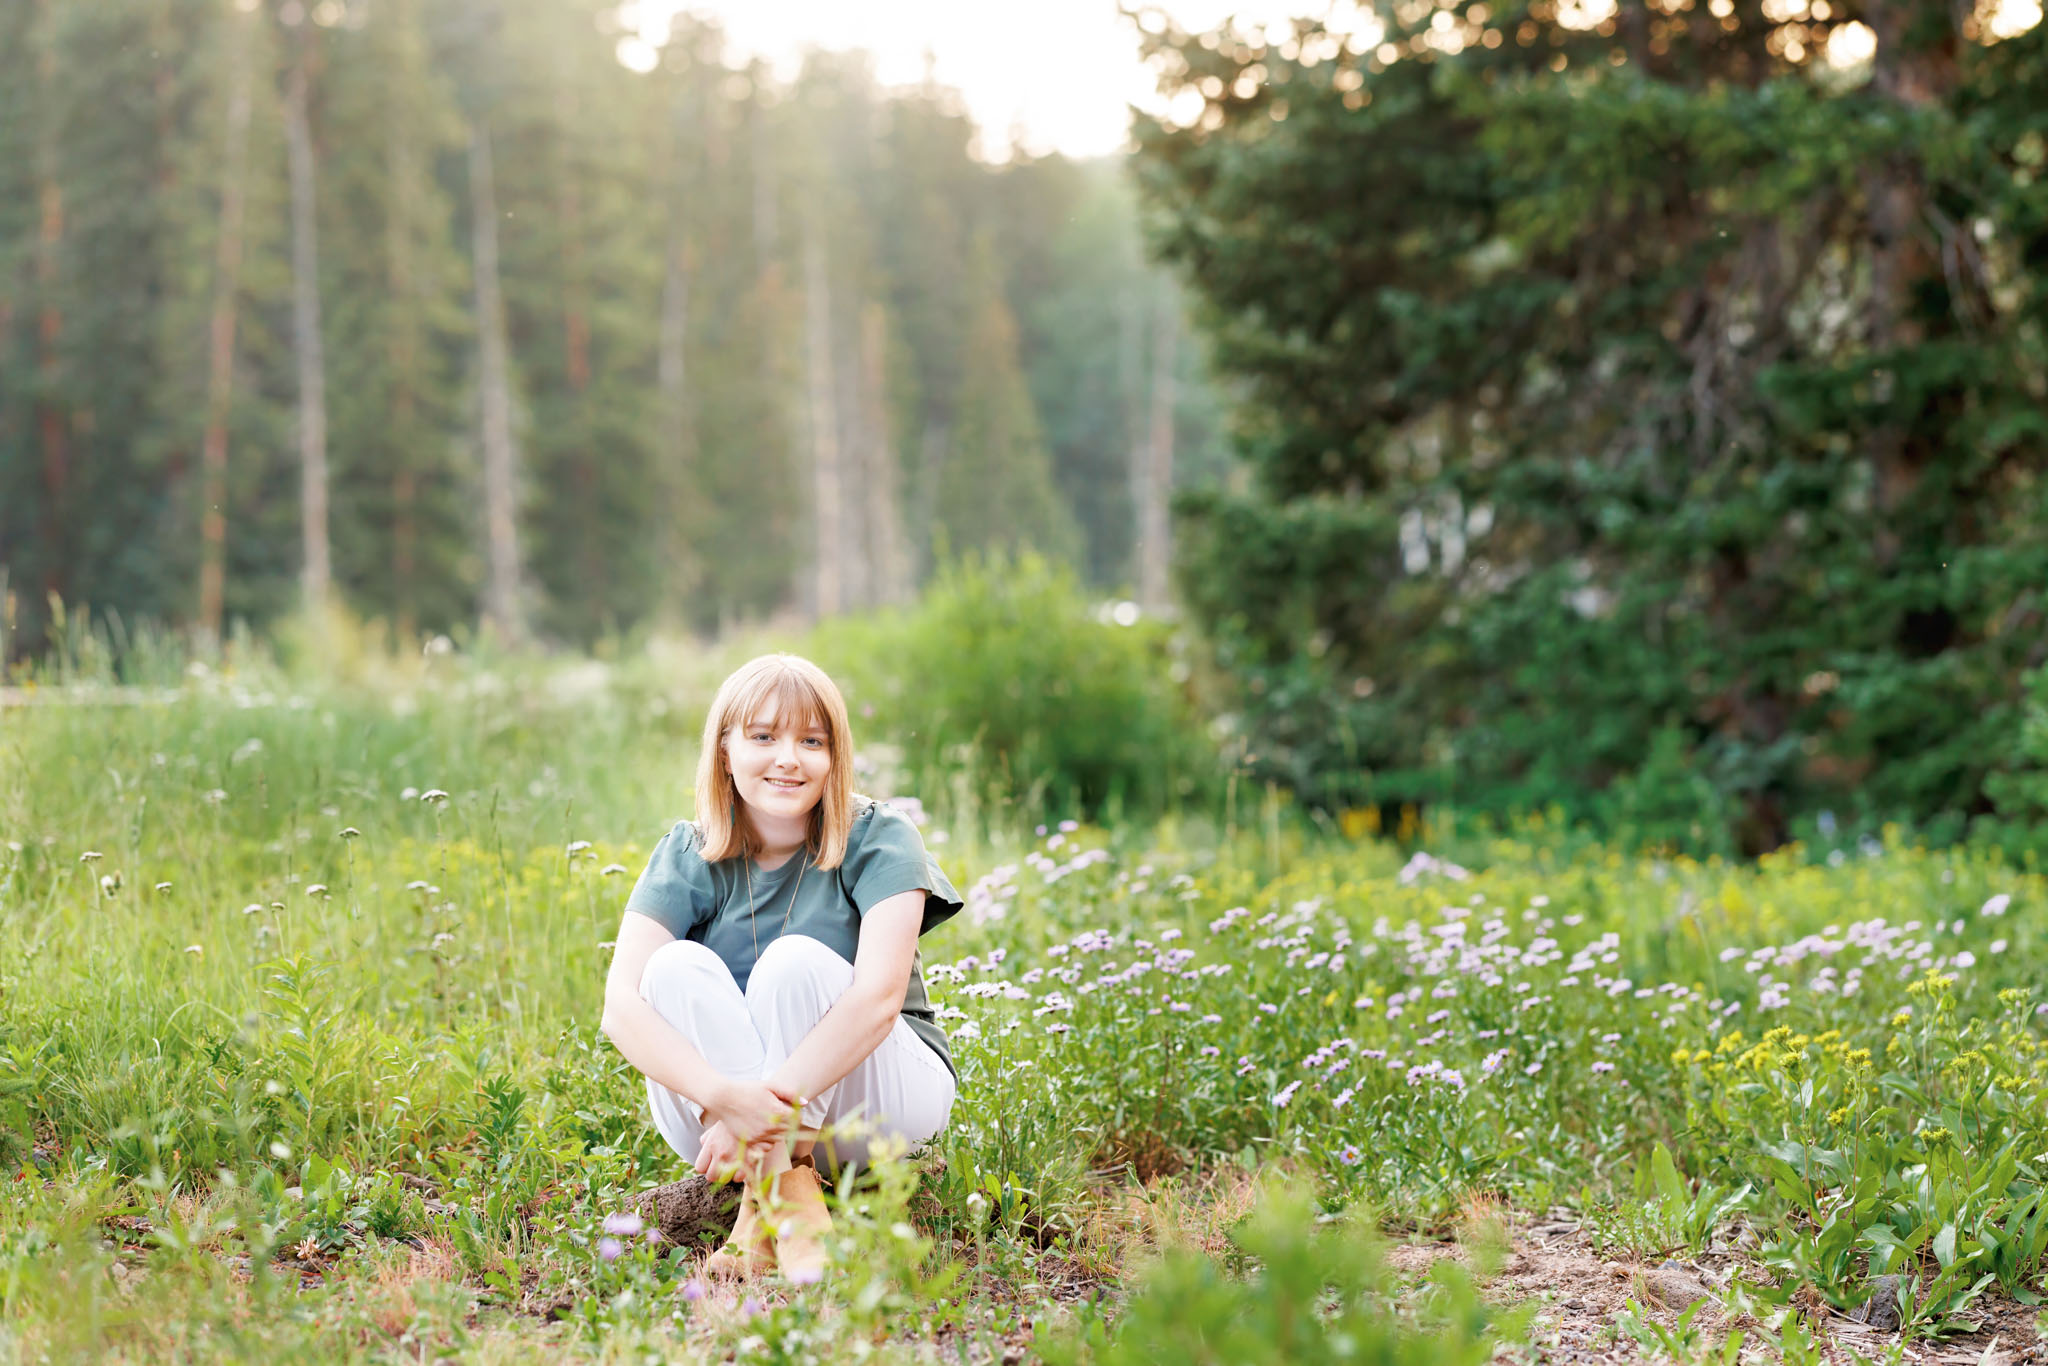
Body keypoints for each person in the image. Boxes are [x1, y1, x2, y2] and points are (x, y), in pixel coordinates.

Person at [600, 653, 961, 1283]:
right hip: (721, 1122)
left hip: (879, 1105)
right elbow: (621, 1008)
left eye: (811, 741)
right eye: (763, 736)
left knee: (792, 963)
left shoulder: (881, 837)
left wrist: (761, 1113)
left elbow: (879, 999)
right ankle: (792, 1203)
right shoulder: (688, 851)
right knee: (673, 968)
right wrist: (722, 1098)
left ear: (834, 755)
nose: (788, 758)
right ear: (724, 749)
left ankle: (760, 1210)